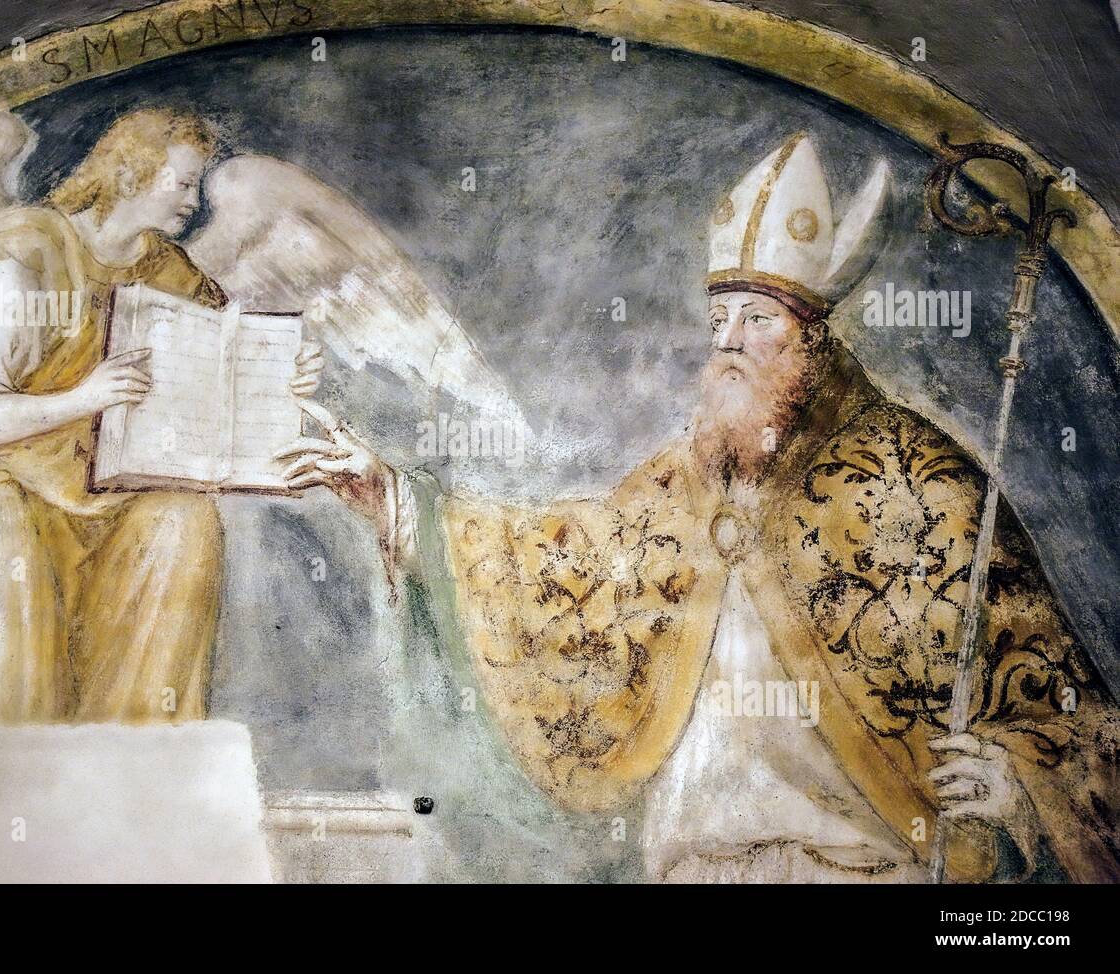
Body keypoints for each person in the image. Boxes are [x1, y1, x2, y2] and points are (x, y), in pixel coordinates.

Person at [278, 134, 1120, 882]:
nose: (726, 344)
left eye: (756, 319)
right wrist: (390, 496)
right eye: (719, 318)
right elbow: (550, 572)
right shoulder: (679, 485)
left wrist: (1019, 784)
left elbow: (1052, 700)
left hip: (870, 866)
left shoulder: (920, 478)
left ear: (813, 343)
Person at [0, 109, 323, 724]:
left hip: (114, 506)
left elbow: (219, 385)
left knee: (183, 520)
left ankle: (132, 768)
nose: (194, 201)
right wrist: (79, 400)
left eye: (196, 185)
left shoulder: (174, 276)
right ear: (131, 172)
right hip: (8, 493)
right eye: (182, 182)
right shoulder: (27, 253)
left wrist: (282, 384)